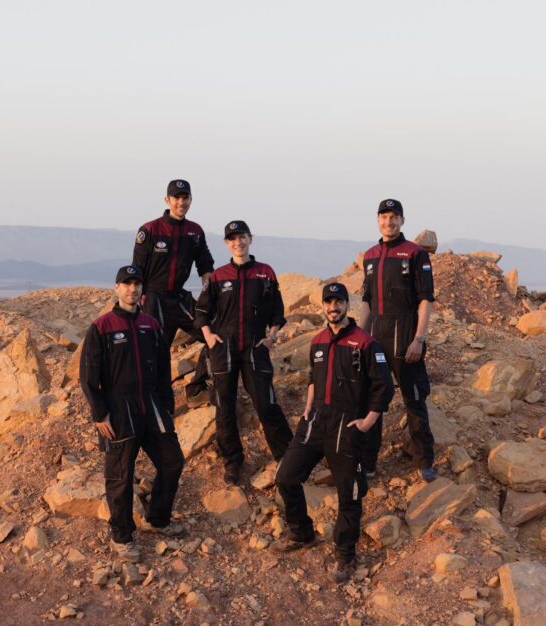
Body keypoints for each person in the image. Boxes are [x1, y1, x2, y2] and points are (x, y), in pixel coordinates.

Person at [273, 283, 394, 583]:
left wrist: (367, 422)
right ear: (323, 306)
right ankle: (301, 533)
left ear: (347, 305)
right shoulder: (317, 342)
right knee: (285, 477)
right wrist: (307, 406)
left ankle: (345, 554)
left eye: (338, 302)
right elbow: (314, 379)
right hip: (315, 422)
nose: (333, 307)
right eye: (328, 302)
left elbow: (384, 387)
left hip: (347, 426)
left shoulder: (365, 343)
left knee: (348, 493)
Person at [79, 265, 186, 564]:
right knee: (120, 476)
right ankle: (122, 536)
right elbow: (88, 377)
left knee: (173, 462)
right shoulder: (102, 327)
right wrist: (100, 414)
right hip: (119, 410)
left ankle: (157, 520)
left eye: (137, 283)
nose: (132, 289)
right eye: (126, 284)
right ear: (116, 288)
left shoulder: (151, 325)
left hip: (151, 406)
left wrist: (166, 406)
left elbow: (163, 370)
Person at [194, 220, 293, 485]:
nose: (238, 242)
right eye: (233, 239)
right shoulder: (218, 276)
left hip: (254, 347)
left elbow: (277, 310)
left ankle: (287, 456)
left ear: (250, 239)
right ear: (227, 243)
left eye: (242, 237)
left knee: (265, 402)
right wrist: (208, 336)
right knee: (225, 406)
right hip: (223, 348)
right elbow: (202, 311)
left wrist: (272, 336)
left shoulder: (265, 272)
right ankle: (232, 462)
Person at [359, 198, 437, 481]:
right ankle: (368, 464)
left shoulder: (415, 254)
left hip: (405, 334)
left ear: (402, 220)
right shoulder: (369, 255)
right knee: (373, 400)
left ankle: (424, 462)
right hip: (376, 335)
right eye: (384, 217)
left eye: (394, 217)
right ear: (377, 220)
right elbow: (366, 301)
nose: (388, 222)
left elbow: (426, 300)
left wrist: (419, 339)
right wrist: (360, 337)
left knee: (414, 399)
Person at [132, 179, 215, 408]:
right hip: (153, 298)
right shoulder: (150, 230)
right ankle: (162, 406)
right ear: (167, 200)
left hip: (179, 298)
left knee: (216, 334)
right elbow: (137, 268)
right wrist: (138, 300)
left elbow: (205, 266)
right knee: (157, 353)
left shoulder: (195, 231)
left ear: (191, 200)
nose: (181, 202)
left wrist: (209, 297)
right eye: (176, 198)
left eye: (185, 198)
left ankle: (196, 390)